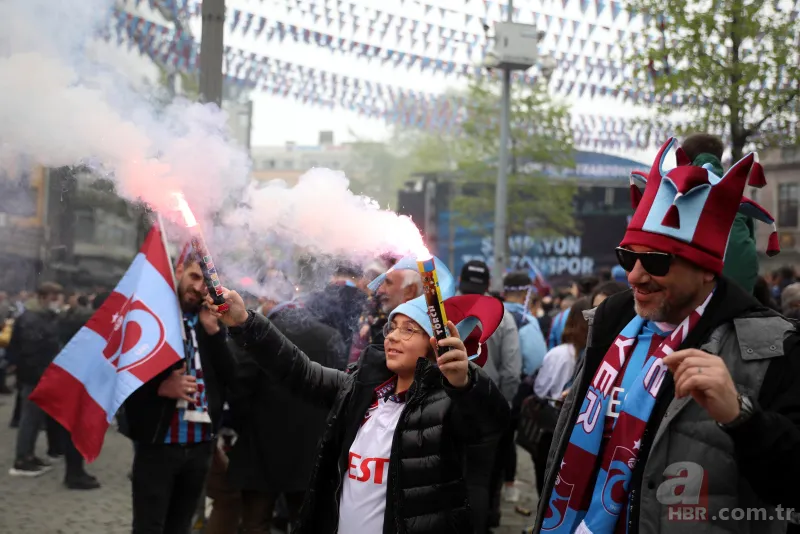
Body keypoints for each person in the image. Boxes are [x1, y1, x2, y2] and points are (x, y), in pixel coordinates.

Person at [532, 137, 798, 534]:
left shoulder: (772, 346)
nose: (634, 275)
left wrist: (742, 417)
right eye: (628, 256)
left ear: (706, 269)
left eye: (655, 261)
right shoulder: (610, 321)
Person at [209, 256, 510, 534]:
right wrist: (245, 323)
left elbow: (490, 423)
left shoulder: (448, 406)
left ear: (435, 344)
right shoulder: (362, 391)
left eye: (408, 329)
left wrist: (466, 383)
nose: (393, 336)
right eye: (392, 327)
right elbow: (299, 372)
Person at [122, 250, 237, 534]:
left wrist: (215, 333)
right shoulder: (152, 317)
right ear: (179, 271)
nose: (198, 287)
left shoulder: (208, 324)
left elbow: (232, 378)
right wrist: (159, 387)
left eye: (206, 283)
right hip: (158, 444)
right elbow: (124, 377)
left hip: (200, 446)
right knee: (149, 527)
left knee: (181, 526)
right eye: (194, 277)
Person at [224, 278, 347, 534]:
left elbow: (239, 388)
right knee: (306, 523)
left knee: (255, 523)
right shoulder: (329, 336)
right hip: (309, 450)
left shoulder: (255, 337)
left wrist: (238, 425)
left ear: (270, 299)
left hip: (261, 446)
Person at [458, 260, 522, 527]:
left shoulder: (444, 312)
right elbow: (512, 371)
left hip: (449, 403)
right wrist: (502, 404)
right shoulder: (503, 317)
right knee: (483, 476)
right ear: (487, 285)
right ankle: (484, 523)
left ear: (460, 283)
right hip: (489, 407)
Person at [532, 296, 591, 494]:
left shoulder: (558, 354)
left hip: (552, 424)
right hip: (582, 429)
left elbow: (540, 389)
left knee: (545, 478)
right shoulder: (601, 357)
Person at [7, 282, 65, 477]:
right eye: (54, 298)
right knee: (30, 418)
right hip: (36, 375)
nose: (57, 302)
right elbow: (33, 350)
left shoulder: (41, 317)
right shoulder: (32, 319)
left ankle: (29, 455)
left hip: (40, 373)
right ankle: (22, 459)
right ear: (43, 297)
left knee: (35, 417)